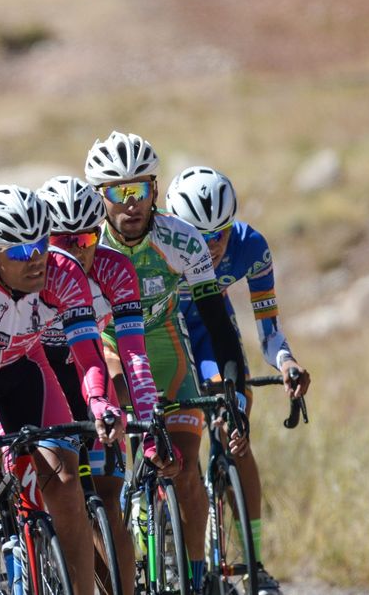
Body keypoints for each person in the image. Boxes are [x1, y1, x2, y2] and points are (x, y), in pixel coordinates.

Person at [0, 185, 125, 595]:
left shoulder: (62, 272)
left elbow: (88, 357)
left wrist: (100, 402)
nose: (35, 260)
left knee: (66, 484)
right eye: (17, 252)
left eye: (39, 244)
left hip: (24, 366)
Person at [84, 130, 249, 593]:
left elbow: (218, 324)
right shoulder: (87, 248)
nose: (132, 203)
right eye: (120, 192)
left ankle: (195, 579)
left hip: (164, 347)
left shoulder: (183, 240)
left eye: (141, 188)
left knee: (187, 466)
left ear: (156, 190)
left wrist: (234, 386)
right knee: (105, 479)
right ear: (101, 198)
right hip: (110, 348)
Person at [167, 166, 314, 595]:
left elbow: (268, 329)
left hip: (213, 335)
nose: (212, 246)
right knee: (175, 441)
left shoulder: (250, 247)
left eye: (221, 233)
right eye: (200, 235)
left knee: (236, 431)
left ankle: (254, 560)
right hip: (166, 333)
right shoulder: (160, 246)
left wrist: (286, 362)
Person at [36, 175, 166, 595]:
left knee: (107, 502)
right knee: (49, 496)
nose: (77, 250)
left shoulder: (114, 269)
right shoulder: (30, 274)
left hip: (87, 372)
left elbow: (134, 355)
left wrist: (149, 427)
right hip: (35, 375)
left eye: (88, 236)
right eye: (63, 240)